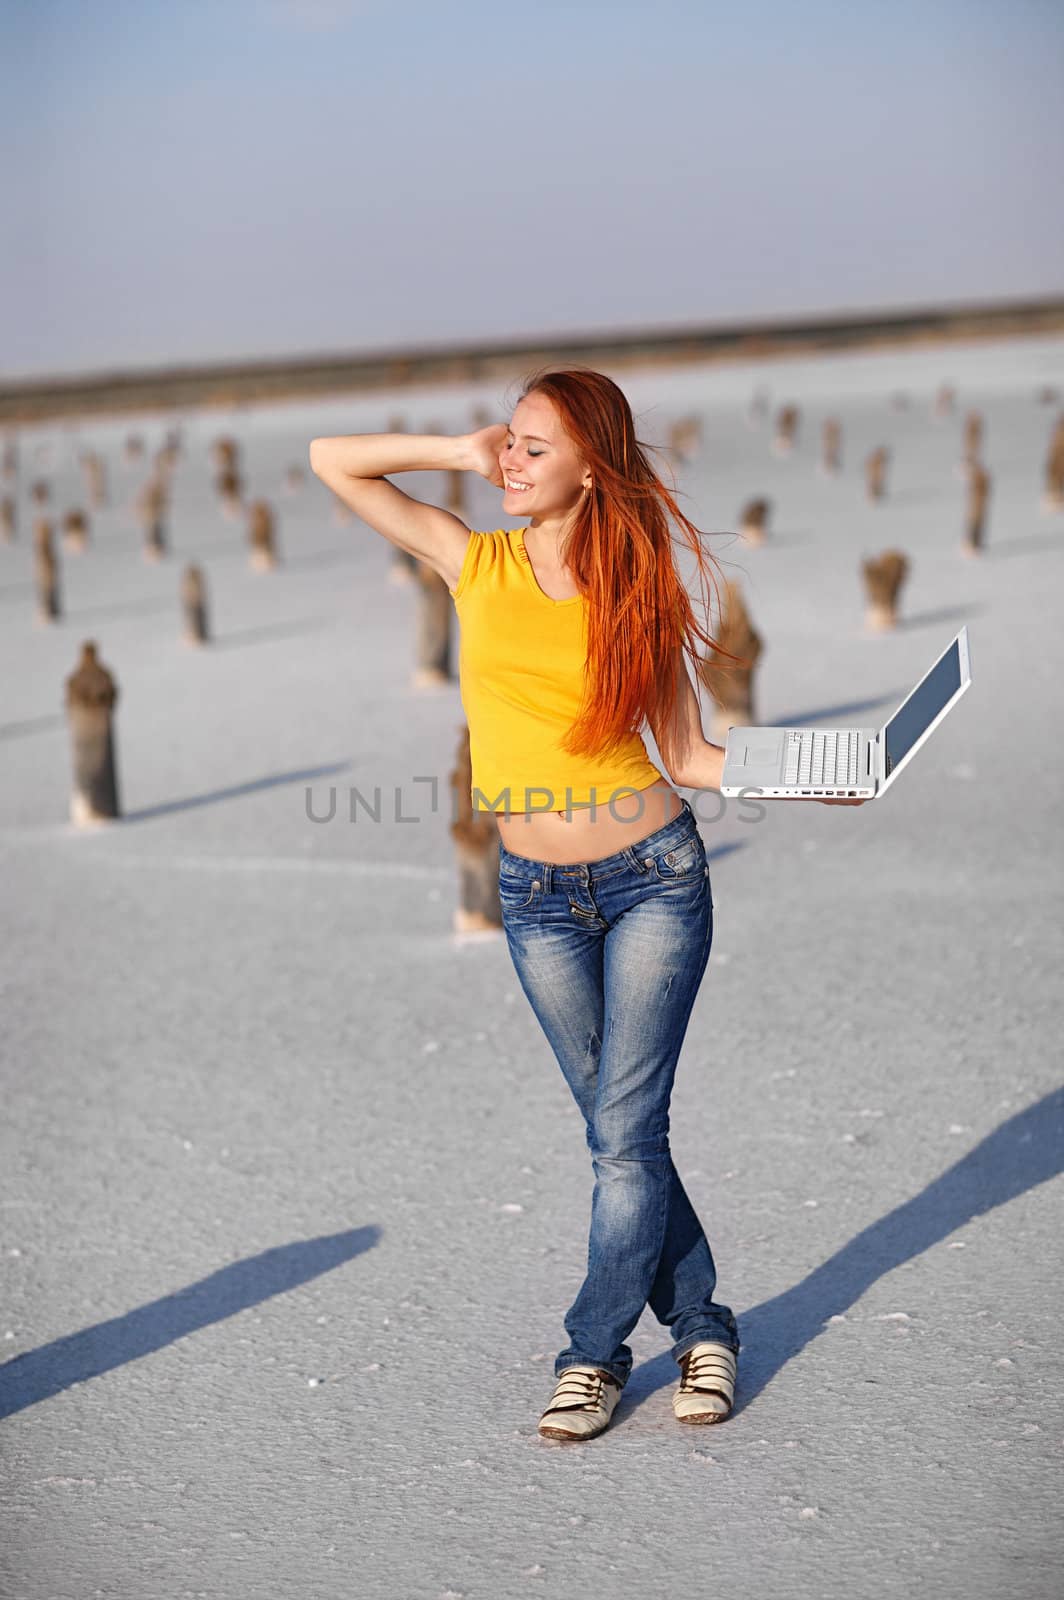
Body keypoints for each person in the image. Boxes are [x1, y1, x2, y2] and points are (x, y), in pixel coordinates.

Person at [309, 367, 864, 1444]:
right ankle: (704, 1329)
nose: (511, 461)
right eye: (509, 442)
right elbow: (335, 461)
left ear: (591, 467)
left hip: (652, 878)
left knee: (620, 1137)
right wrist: (459, 450)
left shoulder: (635, 585)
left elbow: (694, 754)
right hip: (533, 896)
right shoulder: (471, 560)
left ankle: (592, 1355)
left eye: (533, 447)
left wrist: (811, 770)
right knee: (624, 1135)